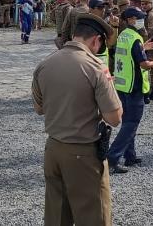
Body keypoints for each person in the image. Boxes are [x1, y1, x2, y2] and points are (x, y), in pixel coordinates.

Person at [32, 14, 123, 226]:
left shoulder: (45, 64)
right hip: (83, 151)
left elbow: (39, 108)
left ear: (74, 35)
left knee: (57, 216)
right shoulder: (96, 67)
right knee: (93, 215)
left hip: (53, 149)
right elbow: (115, 117)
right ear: (95, 40)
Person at [107, 8, 153, 174]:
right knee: (131, 124)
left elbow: (129, 55)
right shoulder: (135, 38)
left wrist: (143, 47)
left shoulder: (124, 35)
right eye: (140, 19)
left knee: (127, 123)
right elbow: (144, 64)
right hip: (134, 87)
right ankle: (113, 157)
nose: (142, 22)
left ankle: (130, 156)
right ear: (131, 19)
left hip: (123, 86)